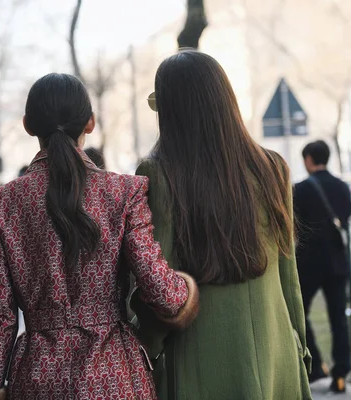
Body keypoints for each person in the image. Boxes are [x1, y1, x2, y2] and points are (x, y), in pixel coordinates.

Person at [0, 73, 199, 399]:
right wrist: (187, 290)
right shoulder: (124, 192)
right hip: (115, 372)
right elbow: (163, 292)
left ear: (28, 125)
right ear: (89, 123)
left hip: (38, 379)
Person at [133, 50, 311, 400]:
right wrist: (300, 350)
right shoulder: (272, 167)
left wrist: (146, 348)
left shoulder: (160, 173)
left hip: (198, 362)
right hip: (278, 358)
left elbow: (159, 282)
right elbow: (291, 280)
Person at [294, 140, 351, 393]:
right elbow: (347, 218)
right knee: (338, 318)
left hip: (308, 265)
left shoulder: (301, 189)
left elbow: (294, 225)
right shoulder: (342, 187)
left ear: (308, 159)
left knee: (298, 313)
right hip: (338, 264)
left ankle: (317, 364)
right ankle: (340, 375)